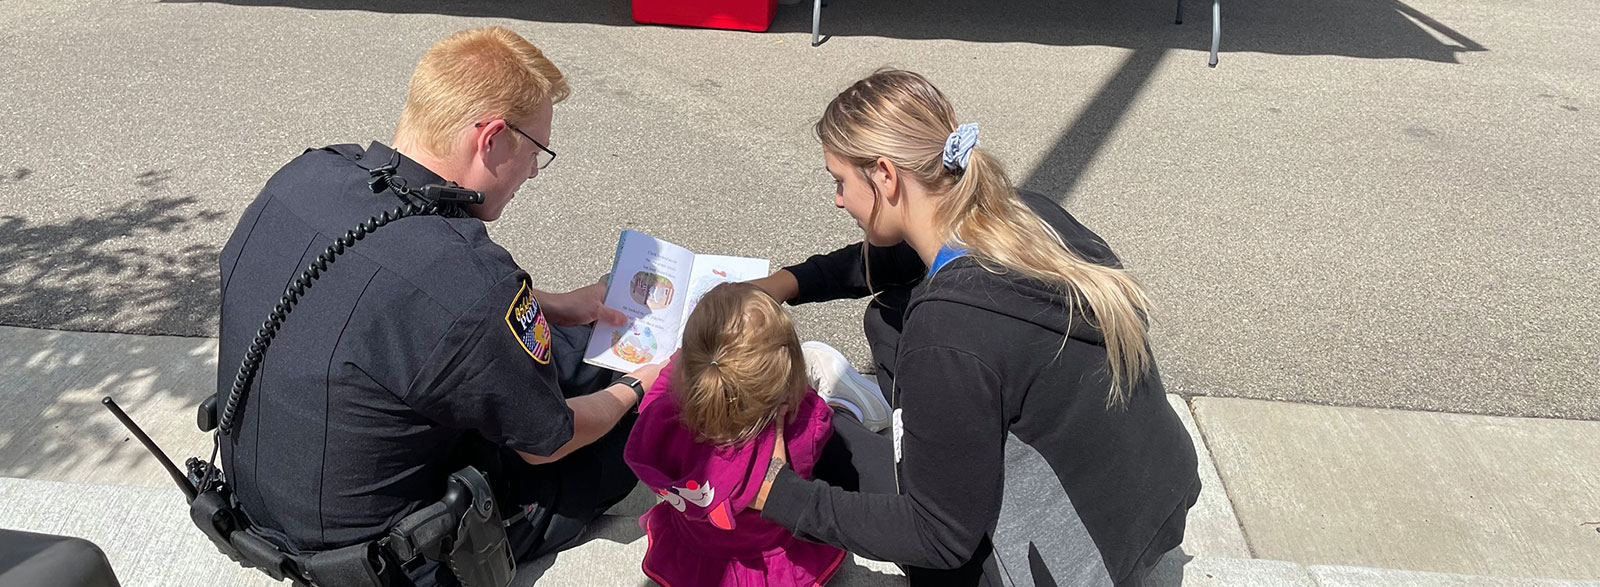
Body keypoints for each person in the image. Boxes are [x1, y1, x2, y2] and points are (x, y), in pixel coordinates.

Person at [214, 26, 661, 586]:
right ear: (492, 138)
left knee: (562, 344)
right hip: (386, 557)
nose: (531, 173)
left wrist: (558, 305)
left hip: (262, 503)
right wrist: (639, 387)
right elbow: (550, 442)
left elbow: (389, 293)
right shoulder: (469, 276)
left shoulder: (303, 175)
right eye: (536, 153)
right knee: (630, 425)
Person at [746, 69, 1202, 587]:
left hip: (1068, 567)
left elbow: (939, 537)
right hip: (1150, 509)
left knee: (817, 433)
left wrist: (779, 493)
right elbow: (893, 261)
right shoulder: (1028, 216)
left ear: (885, 175)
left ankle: (862, 422)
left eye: (840, 182)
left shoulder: (948, 335)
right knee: (889, 314)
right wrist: (781, 284)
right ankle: (910, 428)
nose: (838, 200)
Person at [623, 282, 847, 587]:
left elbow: (660, 390)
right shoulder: (804, 425)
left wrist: (684, 362)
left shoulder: (662, 419)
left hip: (697, 546)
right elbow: (816, 429)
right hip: (767, 551)